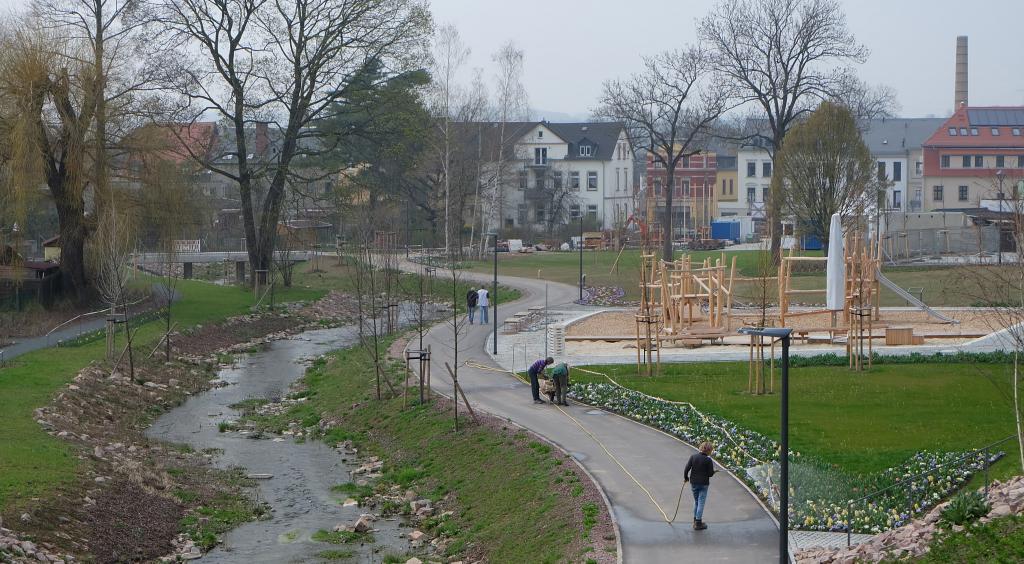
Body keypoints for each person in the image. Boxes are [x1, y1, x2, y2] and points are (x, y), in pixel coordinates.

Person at [683, 442, 716, 530]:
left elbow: (686, 468)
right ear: (709, 451)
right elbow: (710, 474)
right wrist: (713, 471)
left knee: (696, 501)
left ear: (701, 448)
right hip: (704, 484)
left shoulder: (693, 457)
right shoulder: (708, 460)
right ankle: (698, 522)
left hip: (694, 483)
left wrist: (686, 478)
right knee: (701, 502)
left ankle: (695, 520)